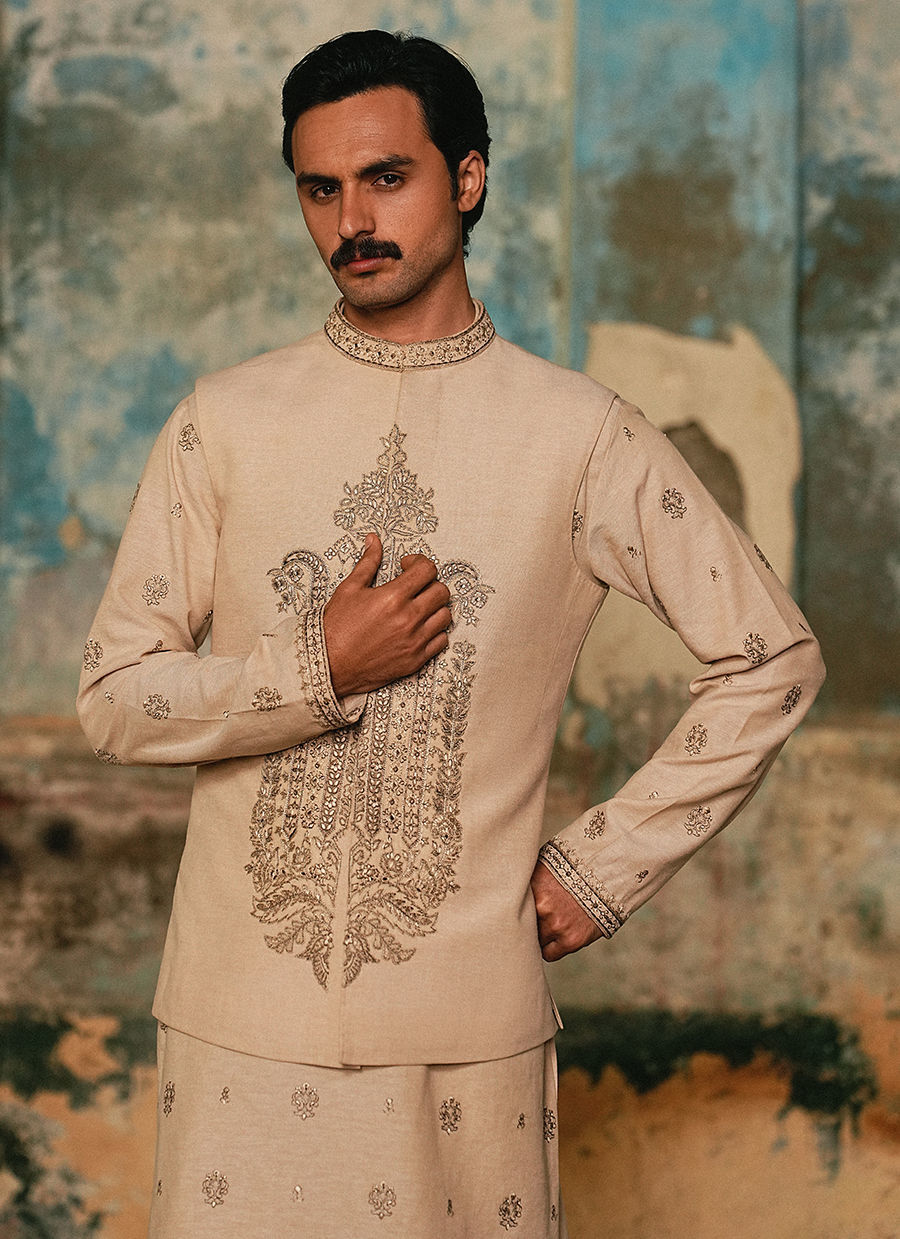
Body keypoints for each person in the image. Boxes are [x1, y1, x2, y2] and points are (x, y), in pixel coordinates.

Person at [77, 29, 825, 1239]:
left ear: (467, 178)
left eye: (387, 178)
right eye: (320, 189)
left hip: (468, 1034)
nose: (350, 221)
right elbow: (115, 695)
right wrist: (316, 670)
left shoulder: (578, 435)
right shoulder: (226, 421)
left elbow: (772, 658)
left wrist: (604, 868)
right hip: (235, 1027)